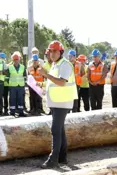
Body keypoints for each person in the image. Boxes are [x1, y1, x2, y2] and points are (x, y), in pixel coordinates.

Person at [39, 41, 78, 169]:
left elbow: (61, 82)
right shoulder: (55, 65)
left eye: (55, 51)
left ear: (60, 52)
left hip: (63, 101)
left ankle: (53, 159)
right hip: (56, 101)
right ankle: (62, 158)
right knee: (59, 130)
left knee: (55, 129)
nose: (52, 53)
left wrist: (46, 75)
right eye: (50, 51)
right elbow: (53, 83)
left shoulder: (65, 65)